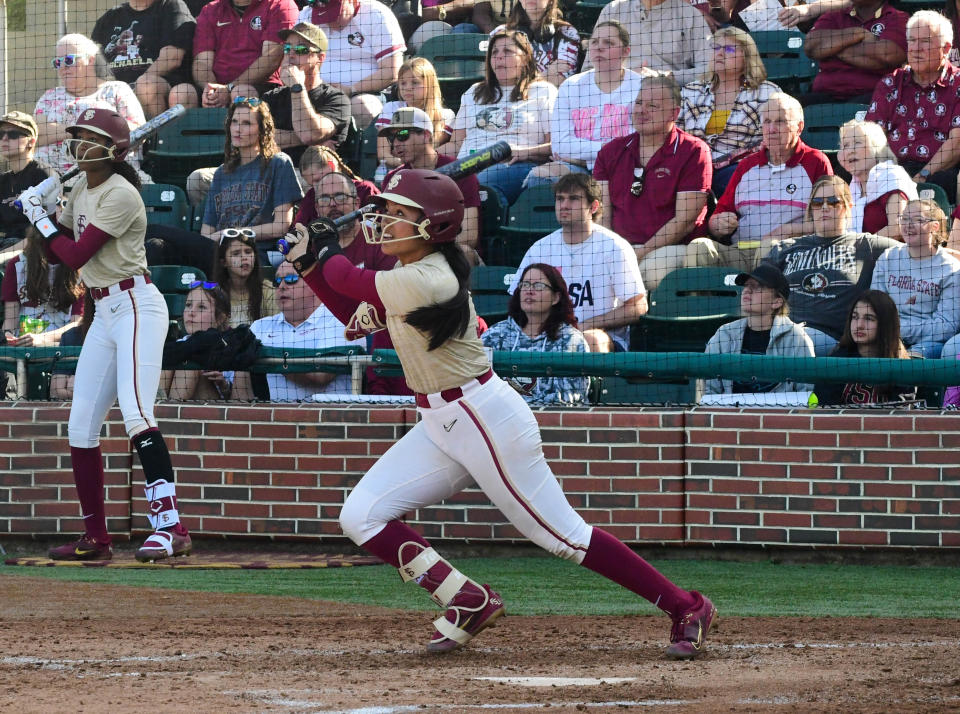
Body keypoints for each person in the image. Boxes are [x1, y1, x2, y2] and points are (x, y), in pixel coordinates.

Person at [281, 167, 717, 659]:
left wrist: (323, 254)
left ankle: (686, 605)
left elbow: (350, 277)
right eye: (387, 210)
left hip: (482, 417)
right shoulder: (405, 276)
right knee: (361, 515)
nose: (385, 220)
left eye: (399, 214)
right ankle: (465, 600)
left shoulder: (432, 276)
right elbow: (350, 313)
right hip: (441, 421)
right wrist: (309, 267)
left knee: (564, 537)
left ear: (435, 226)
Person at [17, 108, 191, 562]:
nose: (78, 142)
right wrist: (46, 205)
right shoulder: (79, 186)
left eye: (88, 136)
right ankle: (96, 538)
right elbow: (54, 257)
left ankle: (171, 528)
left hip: (136, 305)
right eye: (76, 135)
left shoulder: (122, 192)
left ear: (112, 149)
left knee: (136, 414)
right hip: (104, 309)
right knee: (80, 427)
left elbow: (76, 253)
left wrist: (41, 218)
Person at [593, 74, 712, 292]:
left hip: (669, 248)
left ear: (674, 113)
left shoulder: (694, 151)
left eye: (652, 106)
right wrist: (612, 250)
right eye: (638, 103)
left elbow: (684, 221)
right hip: (619, 247)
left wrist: (640, 253)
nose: (641, 110)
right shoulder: (609, 152)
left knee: (650, 274)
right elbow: (601, 214)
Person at [691, 93, 833, 273]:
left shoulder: (816, 162)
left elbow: (831, 220)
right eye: (767, 121)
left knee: (769, 248)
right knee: (699, 248)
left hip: (789, 254)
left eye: (780, 121)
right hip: (741, 252)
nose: (771, 129)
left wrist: (790, 230)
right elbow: (717, 217)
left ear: (799, 127)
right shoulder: (746, 166)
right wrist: (719, 224)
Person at [509, 173, 647, 353]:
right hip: (548, 334)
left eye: (573, 199)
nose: (564, 205)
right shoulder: (540, 248)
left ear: (593, 206)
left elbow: (638, 307)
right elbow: (517, 299)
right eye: (560, 199)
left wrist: (586, 325)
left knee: (590, 339)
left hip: (603, 337)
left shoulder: (614, 247)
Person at [763, 175, 899, 356]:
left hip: (832, 340)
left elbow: (914, 250)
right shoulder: (786, 248)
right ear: (811, 209)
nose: (825, 208)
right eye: (818, 203)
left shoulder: (867, 245)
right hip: (784, 332)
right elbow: (761, 290)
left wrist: (946, 251)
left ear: (849, 207)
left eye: (834, 201)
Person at [444, 29, 557, 205]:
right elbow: (456, 143)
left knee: (479, 186)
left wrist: (522, 152)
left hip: (514, 164)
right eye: (494, 52)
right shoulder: (474, 92)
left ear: (526, 57)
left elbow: (556, 145)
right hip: (466, 166)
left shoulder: (543, 91)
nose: (499, 57)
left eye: (507, 51)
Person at [529, 20, 642, 185]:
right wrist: (602, 152)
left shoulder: (641, 86)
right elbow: (560, 146)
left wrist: (583, 159)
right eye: (594, 42)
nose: (599, 47)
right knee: (538, 177)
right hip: (577, 169)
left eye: (608, 43)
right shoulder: (571, 86)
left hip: (623, 167)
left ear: (625, 52)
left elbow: (636, 146)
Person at [231, 260, 364, 400]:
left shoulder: (343, 321)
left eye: (291, 279)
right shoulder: (260, 327)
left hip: (328, 418)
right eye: (277, 281)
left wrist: (263, 353)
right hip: (275, 416)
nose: (282, 286)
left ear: (315, 283)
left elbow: (320, 375)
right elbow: (241, 385)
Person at [865, 11, 960, 203]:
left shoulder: (957, 83)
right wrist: (889, 174)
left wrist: (922, 175)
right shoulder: (890, 82)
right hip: (892, 170)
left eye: (925, 41)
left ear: (946, 48)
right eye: (912, 41)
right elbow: (873, 136)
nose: (916, 49)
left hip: (937, 172)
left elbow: (957, 143)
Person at [678, 28, 781, 197]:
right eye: (715, 48)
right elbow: (676, 135)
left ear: (747, 57)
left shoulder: (767, 94)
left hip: (739, 170)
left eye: (729, 49)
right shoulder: (691, 91)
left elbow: (769, 141)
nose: (719, 54)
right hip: (692, 167)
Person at [201, 98, 303, 264]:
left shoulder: (278, 163)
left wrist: (232, 234)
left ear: (262, 130)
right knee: (159, 241)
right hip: (220, 254)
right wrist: (222, 239)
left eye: (247, 123)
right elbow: (206, 234)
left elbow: (281, 226)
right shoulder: (221, 173)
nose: (237, 129)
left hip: (257, 252)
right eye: (234, 122)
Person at [34, 33, 147, 179]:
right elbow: (33, 136)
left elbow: (138, 132)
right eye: (58, 62)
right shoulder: (50, 96)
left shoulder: (116, 90)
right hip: (47, 179)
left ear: (91, 59)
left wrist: (55, 129)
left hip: (106, 175)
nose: (62, 67)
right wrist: (84, 133)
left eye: (69, 60)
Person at [380, 108, 482, 262]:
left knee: (465, 252)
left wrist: (427, 255)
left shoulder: (461, 170)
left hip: (451, 254)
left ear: (426, 135)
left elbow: (469, 235)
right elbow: (389, 231)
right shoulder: (394, 179)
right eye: (391, 138)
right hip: (410, 255)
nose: (396, 144)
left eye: (402, 136)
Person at [482, 262, 589, 404]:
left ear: (556, 297)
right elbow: (478, 387)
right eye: (525, 285)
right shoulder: (495, 335)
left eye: (538, 286)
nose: (529, 291)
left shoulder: (570, 340)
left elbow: (569, 399)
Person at [702, 262, 814, 397]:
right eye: (746, 286)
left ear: (776, 302)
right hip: (731, 413)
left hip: (778, 414)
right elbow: (710, 391)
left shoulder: (796, 337)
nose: (747, 290)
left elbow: (806, 392)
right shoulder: (724, 334)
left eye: (757, 286)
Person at [870, 199, 960, 358]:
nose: (908, 225)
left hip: (928, 343)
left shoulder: (951, 269)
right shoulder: (888, 257)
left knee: (909, 365)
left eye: (917, 220)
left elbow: (946, 326)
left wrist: (898, 330)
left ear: (935, 227)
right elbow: (875, 307)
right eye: (904, 218)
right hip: (887, 337)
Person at [297, 0, 407, 129]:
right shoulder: (306, 16)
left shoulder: (376, 13)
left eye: (335, 14)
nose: (330, 22)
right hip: (315, 90)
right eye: (322, 15)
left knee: (362, 107)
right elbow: (290, 62)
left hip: (364, 93)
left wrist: (350, 89)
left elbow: (392, 71)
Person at [262, 22, 352, 167]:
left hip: (314, 179)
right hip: (271, 174)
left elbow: (309, 134)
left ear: (320, 57)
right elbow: (256, 139)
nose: (291, 54)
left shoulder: (336, 99)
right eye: (287, 48)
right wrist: (311, 140)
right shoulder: (271, 97)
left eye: (301, 49)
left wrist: (297, 87)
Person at [91, 0, 199, 118]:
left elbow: (172, 58)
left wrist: (132, 89)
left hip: (161, 87)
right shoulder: (111, 17)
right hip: (116, 94)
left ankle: (155, 136)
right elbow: (95, 62)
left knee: (147, 86)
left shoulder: (171, 6)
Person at [812, 290, 916, 405]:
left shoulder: (902, 366)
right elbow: (825, 413)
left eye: (869, 318)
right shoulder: (836, 360)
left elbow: (901, 417)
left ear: (885, 324)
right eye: (855, 317)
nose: (859, 325)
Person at [193, 0, 299, 108]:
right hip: (219, 89)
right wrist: (214, 92)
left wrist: (229, 88)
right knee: (183, 93)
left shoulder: (281, 4)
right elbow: (201, 62)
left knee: (240, 92)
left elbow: (271, 58)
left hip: (264, 87)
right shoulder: (210, 10)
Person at [802, 0, 908, 105]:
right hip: (824, 94)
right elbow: (811, 47)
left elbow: (887, 55)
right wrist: (857, 33)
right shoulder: (834, 15)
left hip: (872, 95)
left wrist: (832, 48)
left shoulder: (897, 18)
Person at [591, 0, 712, 86]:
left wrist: (666, 77)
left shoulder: (690, 15)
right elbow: (589, 67)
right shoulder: (613, 10)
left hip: (667, 97)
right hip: (617, 94)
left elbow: (710, 69)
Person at [2, 227, 84, 348]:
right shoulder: (17, 265)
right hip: (23, 345)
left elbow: (77, 323)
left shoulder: (80, 268)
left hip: (62, 346)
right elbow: (10, 318)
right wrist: (8, 335)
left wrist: (43, 339)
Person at [375, 57, 456, 177]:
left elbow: (430, 153)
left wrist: (416, 163)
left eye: (415, 82)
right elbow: (383, 154)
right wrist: (406, 165)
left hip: (432, 174)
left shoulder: (445, 115)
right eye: (403, 83)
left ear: (429, 84)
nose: (407, 87)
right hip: (395, 174)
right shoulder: (391, 108)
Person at [838, 119, 918, 239]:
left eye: (857, 142)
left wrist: (860, 247)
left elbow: (898, 228)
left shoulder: (892, 176)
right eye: (845, 145)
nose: (850, 151)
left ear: (876, 148)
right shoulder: (853, 187)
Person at [160, 282, 235, 399]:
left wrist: (223, 384)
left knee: (190, 366)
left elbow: (239, 399)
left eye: (201, 307)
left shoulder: (229, 346)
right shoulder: (179, 345)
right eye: (188, 305)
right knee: (170, 361)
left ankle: (168, 413)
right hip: (180, 405)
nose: (191, 313)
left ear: (220, 318)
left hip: (215, 410)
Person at [0, 112, 57, 257]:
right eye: (0, 134)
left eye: (13, 134)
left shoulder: (44, 176)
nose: (4, 139)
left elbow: (48, 229)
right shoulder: (3, 180)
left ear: (31, 142)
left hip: (33, 252)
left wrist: (5, 254)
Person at [490, 0, 582, 87]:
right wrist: (546, 74)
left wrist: (518, 78)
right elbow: (499, 80)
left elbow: (560, 80)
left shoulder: (567, 32)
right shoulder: (500, 32)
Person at [209, 228, 277, 327]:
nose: (244, 257)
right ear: (223, 262)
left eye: (248, 252)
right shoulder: (214, 295)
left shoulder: (268, 291)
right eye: (236, 253)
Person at [297, 144, 380, 216]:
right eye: (312, 184)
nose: (316, 187)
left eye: (318, 180)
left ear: (331, 166)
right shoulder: (311, 196)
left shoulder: (365, 189)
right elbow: (299, 228)